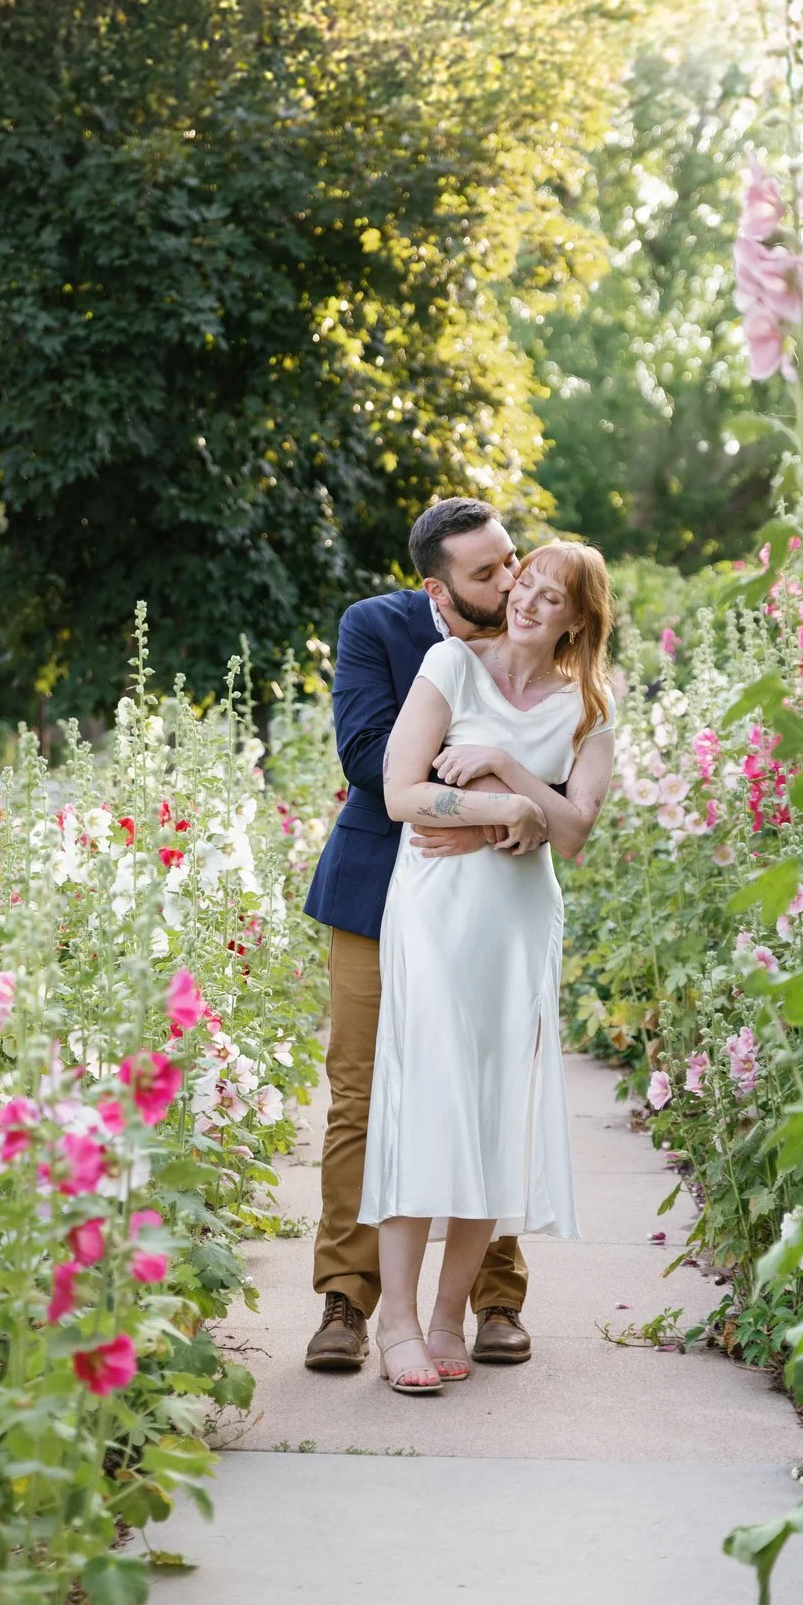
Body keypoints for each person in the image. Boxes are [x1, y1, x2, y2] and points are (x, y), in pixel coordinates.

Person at [361, 541, 616, 1393]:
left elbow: (574, 834)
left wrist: (508, 776)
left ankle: (445, 1318)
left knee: (493, 1109)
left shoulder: (587, 708)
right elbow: (401, 793)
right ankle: (393, 1318)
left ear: (577, 618)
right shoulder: (450, 665)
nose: (527, 603)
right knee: (424, 1097)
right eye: (524, 586)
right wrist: (509, 812)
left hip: (517, 923)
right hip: (434, 910)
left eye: (550, 598)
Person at [299, 500, 545, 1372]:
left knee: (491, 1091)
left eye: (511, 558)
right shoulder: (377, 627)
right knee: (363, 1099)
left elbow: (562, 768)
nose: (512, 580)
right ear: (436, 587)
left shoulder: (542, 626)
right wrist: (481, 797)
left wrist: (491, 816)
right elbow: (369, 759)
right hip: (376, 894)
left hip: (491, 899)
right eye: (487, 572)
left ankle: (497, 1298)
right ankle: (346, 1301)